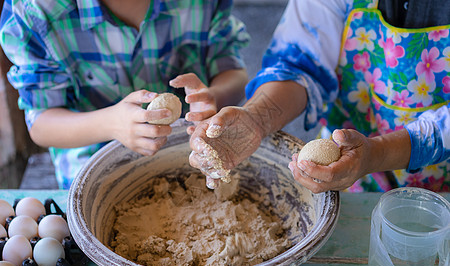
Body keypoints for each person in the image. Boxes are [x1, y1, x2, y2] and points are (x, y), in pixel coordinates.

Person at [188, 0, 450, 193]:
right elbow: (300, 63)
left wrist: (377, 153)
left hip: (442, 183)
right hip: (346, 163)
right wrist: (257, 118)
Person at [0, 0, 250, 189]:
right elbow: (42, 124)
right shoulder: (33, 12)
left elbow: (234, 72)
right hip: (95, 172)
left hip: (191, 154)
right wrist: (111, 124)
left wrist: (213, 97)